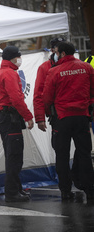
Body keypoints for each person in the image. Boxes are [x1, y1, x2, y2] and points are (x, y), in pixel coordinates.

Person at [43, 41, 94, 201]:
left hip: (62, 118)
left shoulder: (54, 71)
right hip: (81, 117)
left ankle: (65, 190)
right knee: (85, 154)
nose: (55, 54)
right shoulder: (87, 68)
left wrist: (48, 114)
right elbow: (92, 91)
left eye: (57, 52)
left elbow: (47, 97)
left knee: (62, 155)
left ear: (63, 53)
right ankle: (90, 190)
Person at [0, 45, 34, 202]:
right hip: (10, 118)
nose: (19, 59)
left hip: (3, 118)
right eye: (18, 56)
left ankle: (16, 189)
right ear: (13, 58)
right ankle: (12, 192)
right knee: (15, 157)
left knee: (12, 156)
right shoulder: (9, 74)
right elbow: (16, 99)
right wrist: (28, 116)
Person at [33, 37, 66, 132]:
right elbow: (38, 94)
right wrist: (40, 118)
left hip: (76, 113)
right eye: (58, 48)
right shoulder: (44, 68)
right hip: (57, 114)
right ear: (52, 50)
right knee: (60, 145)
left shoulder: (74, 65)